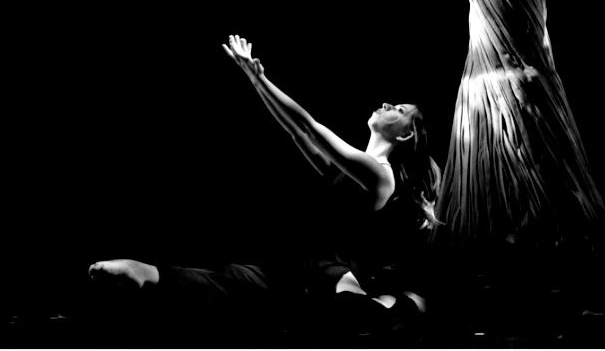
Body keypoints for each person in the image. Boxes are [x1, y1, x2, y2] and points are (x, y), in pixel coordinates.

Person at [87, 34, 437, 340]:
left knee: (342, 311)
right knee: (235, 281)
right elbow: (297, 131)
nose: (389, 104)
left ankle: (400, 305)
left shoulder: (381, 175)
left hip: (329, 271)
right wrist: (254, 79)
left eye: (400, 109)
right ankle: (146, 273)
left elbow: (309, 125)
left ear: (406, 134)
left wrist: (261, 78)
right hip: (297, 266)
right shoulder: (345, 170)